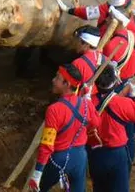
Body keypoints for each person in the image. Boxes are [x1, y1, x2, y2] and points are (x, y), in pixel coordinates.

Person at [29, 62, 94, 191]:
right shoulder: (87, 105)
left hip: (59, 160)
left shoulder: (54, 110)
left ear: (67, 84)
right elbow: (95, 123)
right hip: (80, 157)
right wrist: (88, 100)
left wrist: (37, 173)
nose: (53, 80)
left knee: (39, 189)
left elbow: (47, 144)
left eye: (58, 78)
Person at [89, 65, 135, 191]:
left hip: (95, 153)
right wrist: (134, 95)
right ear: (114, 82)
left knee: (99, 188)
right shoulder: (122, 103)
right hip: (116, 154)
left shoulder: (88, 102)